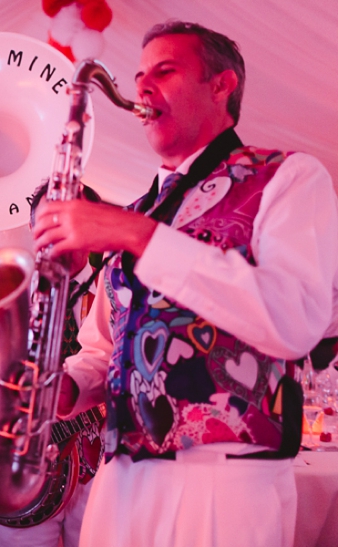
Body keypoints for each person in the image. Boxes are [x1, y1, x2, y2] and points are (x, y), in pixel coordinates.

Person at [33, 21, 338, 547]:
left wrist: (140, 235)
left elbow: (295, 320)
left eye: (165, 71)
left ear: (222, 86)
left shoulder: (288, 176)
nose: (142, 88)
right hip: (120, 478)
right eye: (139, 75)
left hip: (227, 478)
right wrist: (69, 386)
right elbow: (105, 346)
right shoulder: (138, 211)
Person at [0, 185, 105, 547]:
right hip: (24, 467)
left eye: (68, 222)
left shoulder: (114, 288)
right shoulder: (10, 296)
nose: (56, 235)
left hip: (100, 470)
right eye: (46, 224)